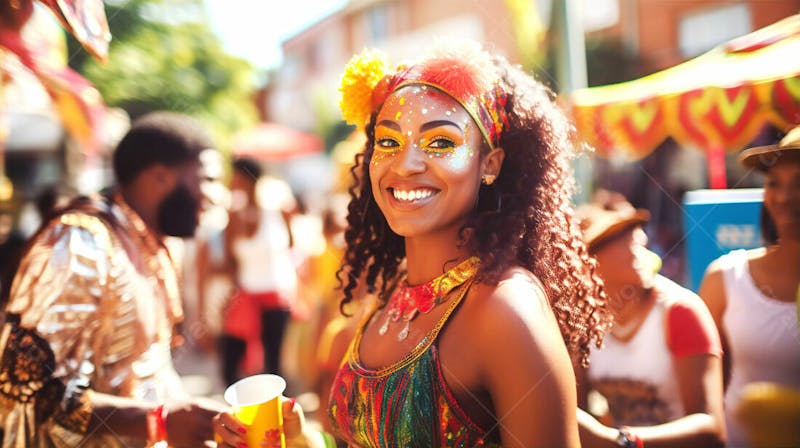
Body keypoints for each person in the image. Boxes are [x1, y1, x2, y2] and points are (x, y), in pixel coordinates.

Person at [215, 39, 610, 447]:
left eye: (440, 143)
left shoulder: (504, 310)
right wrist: (297, 440)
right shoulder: (392, 291)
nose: (406, 164)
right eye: (388, 142)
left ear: (489, 164)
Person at [0, 112, 227, 447]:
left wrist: (201, 421)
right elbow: (26, 389)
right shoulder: (80, 244)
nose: (213, 195)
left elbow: (149, 368)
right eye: (205, 179)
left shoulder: (152, 244)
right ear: (160, 178)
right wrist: (156, 422)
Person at [574, 191, 725, 448]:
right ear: (590, 259)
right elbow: (577, 412)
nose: (639, 239)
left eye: (636, 231)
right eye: (619, 236)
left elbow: (711, 429)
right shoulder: (584, 322)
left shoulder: (680, 312)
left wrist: (623, 441)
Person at [699, 125, 800, 447]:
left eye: (799, 183)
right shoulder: (726, 278)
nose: (784, 197)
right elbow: (702, 399)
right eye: (774, 183)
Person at [216, 157, 298, 385]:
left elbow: (292, 245)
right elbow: (229, 260)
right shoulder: (234, 215)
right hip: (246, 295)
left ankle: (277, 414)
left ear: (245, 178)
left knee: (274, 364)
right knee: (230, 365)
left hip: (276, 294)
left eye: (235, 176)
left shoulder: (277, 209)